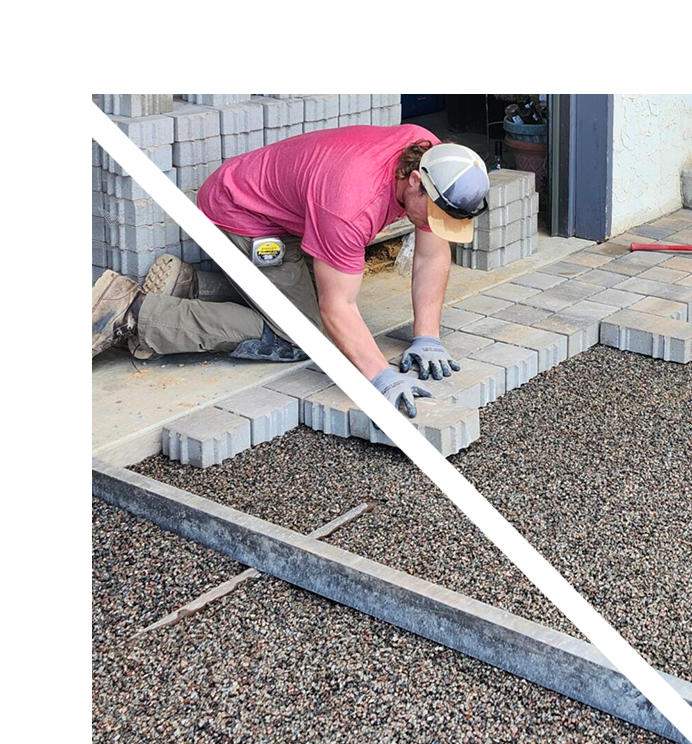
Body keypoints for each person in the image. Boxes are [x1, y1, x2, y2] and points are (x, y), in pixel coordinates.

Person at [92, 124, 489, 421]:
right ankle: (136, 313)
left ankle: (196, 286)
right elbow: (337, 309)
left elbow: (431, 255)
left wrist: (427, 338)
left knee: (317, 320)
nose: (434, 226)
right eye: (434, 216)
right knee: (310, 334)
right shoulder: (353, 204)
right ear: (416, 182)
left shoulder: (432, 158)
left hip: (292, 217)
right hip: (241, 213)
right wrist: (380, 377)